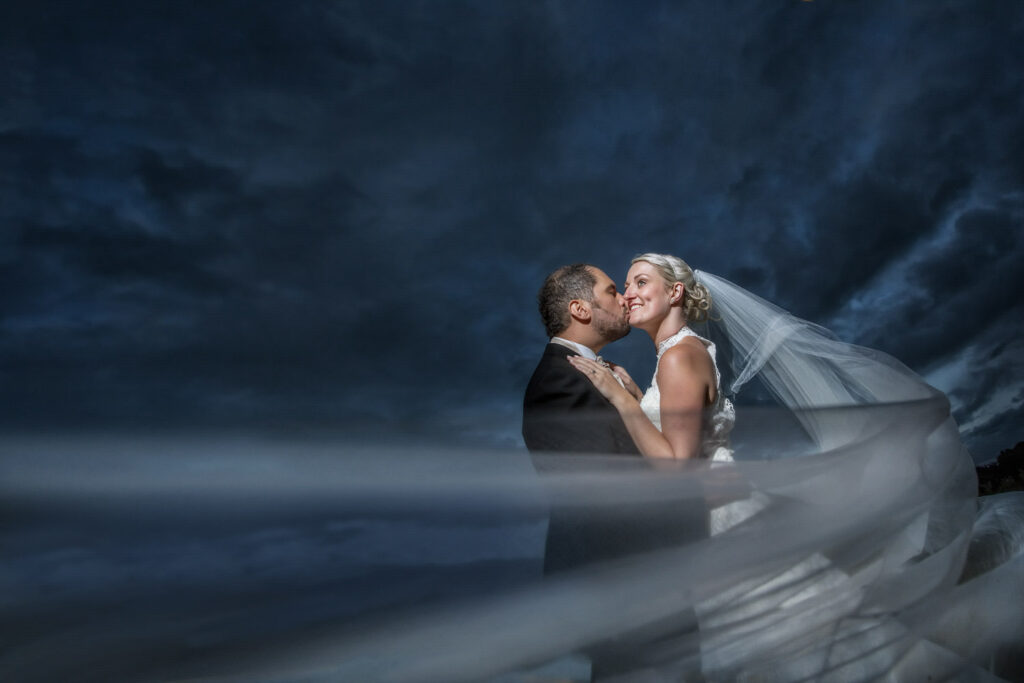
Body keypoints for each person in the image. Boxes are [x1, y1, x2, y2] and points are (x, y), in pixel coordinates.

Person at [522, 263, 638, 456]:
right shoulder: (556, 383)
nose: (624, 299)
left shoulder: (572, 375)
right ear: (580, 310)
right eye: (612, 292)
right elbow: (600, 477)